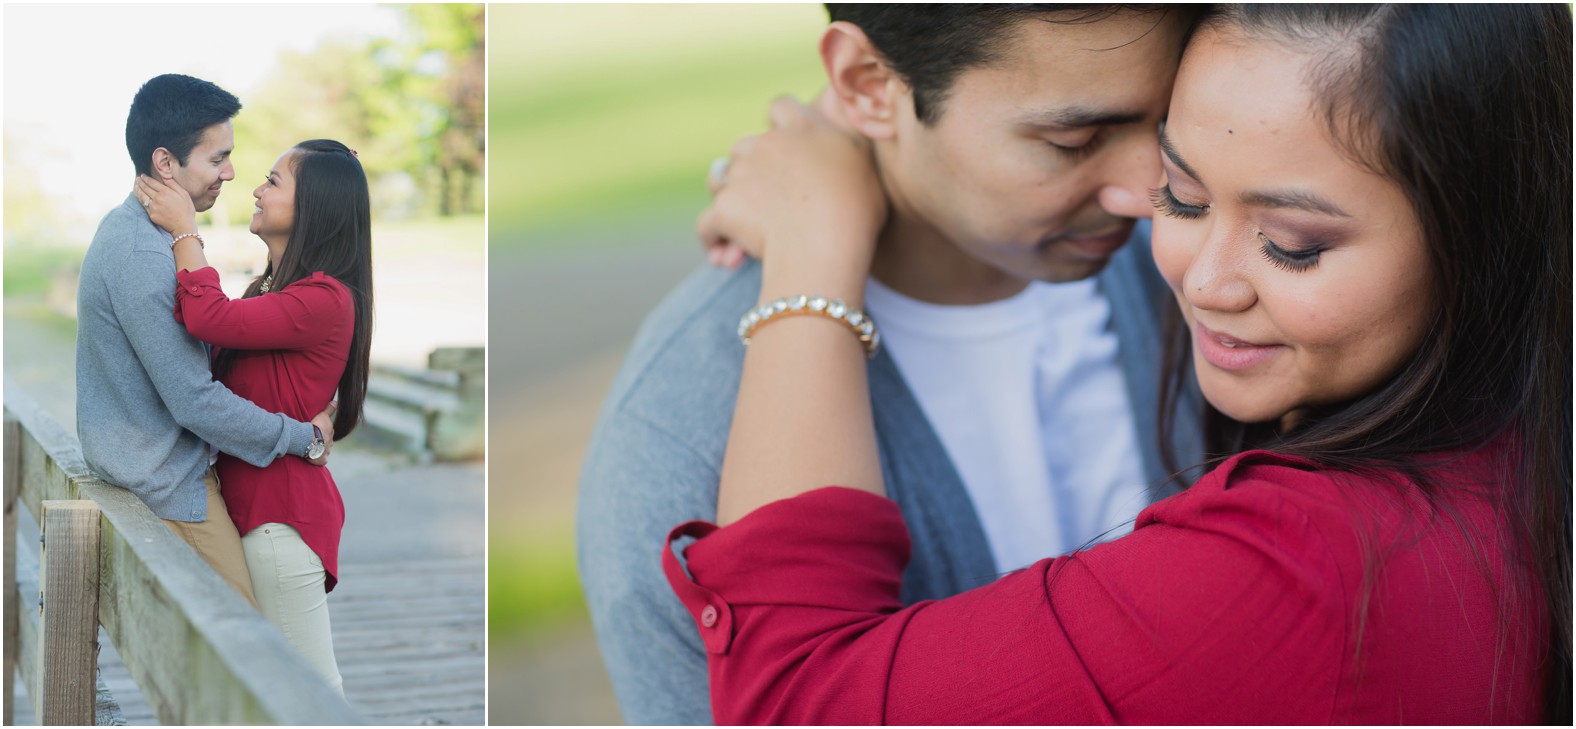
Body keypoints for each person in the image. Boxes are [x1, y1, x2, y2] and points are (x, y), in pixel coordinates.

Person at [669, 4, 1570, 724]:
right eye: (1184, 194)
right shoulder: (1525, 439)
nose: (1204, 281)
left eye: (1292, 245)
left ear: (1483, 232)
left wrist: (809, 247)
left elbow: (792, 698)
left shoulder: (1309, 570)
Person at [578, 6, 1203, 722]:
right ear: (869, 84)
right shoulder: (682, 439)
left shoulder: (1206, 274)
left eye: (1167, 123)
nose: (1148, 192)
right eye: (1074, 140)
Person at [76, 74, 334, 608]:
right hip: (168, 491)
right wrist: (302, 438)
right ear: (167, 163)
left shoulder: (141, 234)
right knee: (249, 647)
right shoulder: (144, 254)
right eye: (218, 159)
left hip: (155, 475)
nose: (232, 173)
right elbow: (194, 399)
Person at [136, 138, 373, 697]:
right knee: (266, 687)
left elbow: (205, 315)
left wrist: (184, 230)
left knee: (309, 692)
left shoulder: (323, 298)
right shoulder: (273, 292)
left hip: (279, 520)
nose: (256, 189)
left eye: (273, 180)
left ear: (313, 207)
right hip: (254, 509)